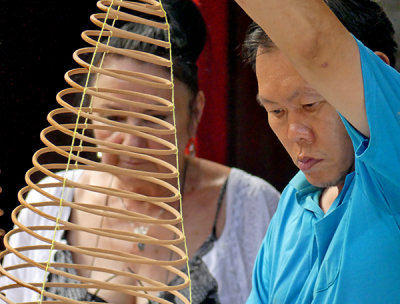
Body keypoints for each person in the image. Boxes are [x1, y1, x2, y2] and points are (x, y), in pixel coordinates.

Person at [0, 0, 279, 303]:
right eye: (113, 118)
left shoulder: (250, 207)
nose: (132, 141)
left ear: (195, 112)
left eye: (154, 118)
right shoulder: (50, 203)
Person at [235, 0, 400, 303]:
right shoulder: (293, 203)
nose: (295, 133)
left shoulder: (391, 163)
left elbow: (317, 45)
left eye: (310, 105)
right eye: (276, 111)